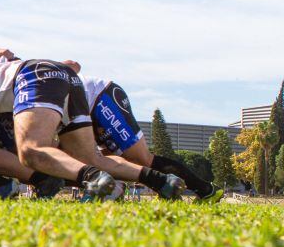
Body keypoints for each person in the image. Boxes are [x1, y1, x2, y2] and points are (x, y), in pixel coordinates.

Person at [0, 45, 180, 200]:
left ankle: (93, 179)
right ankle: (161, 180)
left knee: (30, 151)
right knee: (87, 156)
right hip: (60, 74)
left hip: (34, 76)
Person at [81, 75, 222, 202]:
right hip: (87, 109)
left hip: (100, 98)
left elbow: (73, 64)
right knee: (108, 159)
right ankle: (116, 191)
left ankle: (206, 190)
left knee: (142, 159)